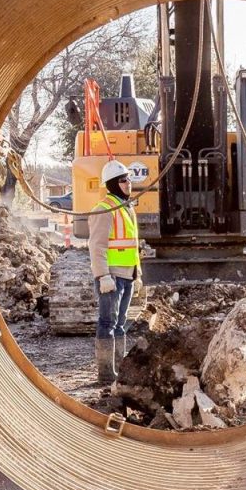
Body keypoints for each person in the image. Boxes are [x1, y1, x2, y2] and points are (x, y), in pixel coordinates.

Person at [88, 160, 142, 383]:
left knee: (120, 324)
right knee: (107, 323)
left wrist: (137, 274)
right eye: (123, 179)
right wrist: (103, 276)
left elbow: (133, 244)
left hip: (127, 275)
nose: (129, 183)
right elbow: (97, 246)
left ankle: (120, 368)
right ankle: (106, 373)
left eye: (129, 178)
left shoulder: (126, 208)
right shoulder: (104, 210)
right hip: (112, 277)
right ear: (112, 184)